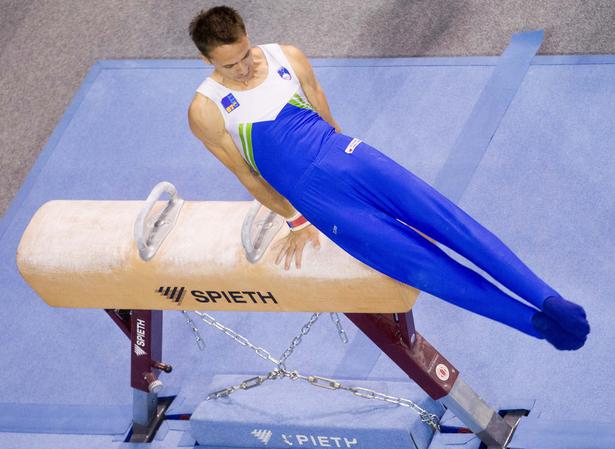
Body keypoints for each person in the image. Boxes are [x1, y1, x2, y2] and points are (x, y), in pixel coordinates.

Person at [186, 6, 590, 350]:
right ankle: (533, 324)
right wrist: (294, 220)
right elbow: (247, 175)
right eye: (229, 64)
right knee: (423, 266)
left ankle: (548, 299)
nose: (242, 68)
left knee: (451, 224)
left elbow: (326, 116)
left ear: (247, 36)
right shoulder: (206, 110)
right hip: (320, 200)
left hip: (352, 158)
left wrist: (347, 155)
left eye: (244, 55)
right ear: (207, 62)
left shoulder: (285, 56)